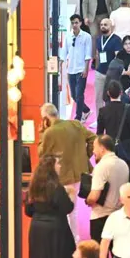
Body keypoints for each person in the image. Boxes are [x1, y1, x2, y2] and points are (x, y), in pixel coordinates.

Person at [38, 103, 97, 242]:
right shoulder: (75, 124)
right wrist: (85, 156)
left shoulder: (49, 133)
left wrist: (41, 133)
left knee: (61, 209)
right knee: (73, 210)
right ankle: (74, 239)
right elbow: (93, 139)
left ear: (45, 118)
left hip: (61, 176)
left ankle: (66, 240)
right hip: (78, 173)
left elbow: (41, 153)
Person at [25, 155, 76, 258]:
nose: (60, 166)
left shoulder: (33, 186)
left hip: (37, 229)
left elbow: (28, 211)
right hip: (56, 230)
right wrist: (71, 195)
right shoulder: (57, 187)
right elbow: (67, 208)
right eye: (58, 163)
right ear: (51, 168)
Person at [98, 81, 130, 183]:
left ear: (108, 93)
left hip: (110, 150)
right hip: (128, 151)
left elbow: (99, 134)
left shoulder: (103, 111)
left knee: (112, 181)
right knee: (128, 181)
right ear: (121, 93)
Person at [88, 135, 130, 244]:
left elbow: (94, 197)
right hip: (120, 216)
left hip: (101, 217)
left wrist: (88, 200)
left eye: (94, 147)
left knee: (100, 251)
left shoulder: (101, 167)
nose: (93, 151)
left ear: (102, 148)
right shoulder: (124, 164)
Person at [62, 14, 92, 121]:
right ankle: (86, 110)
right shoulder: (68, 36)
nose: (74, 25)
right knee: (74, 95)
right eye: (72, 23)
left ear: (80, 23)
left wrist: (86, 69)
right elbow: (64, 52)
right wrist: (61, 64)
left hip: (81, 69)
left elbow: (88, 54)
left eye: (76, 22)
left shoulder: (86, 37)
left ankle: (78, 117)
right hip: (71, 69)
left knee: (79, 94)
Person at [94, 19, 123, 119]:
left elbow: (118, 57)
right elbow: (97, 55)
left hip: (111, 74)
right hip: (99, 72)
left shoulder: (116, 39)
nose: (103, 26)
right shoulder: (99, 39)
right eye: (101, 24)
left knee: (111, 99)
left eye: (105, 24)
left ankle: (111, 119)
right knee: (98, 98)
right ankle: (99, 119)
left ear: (111, 26)